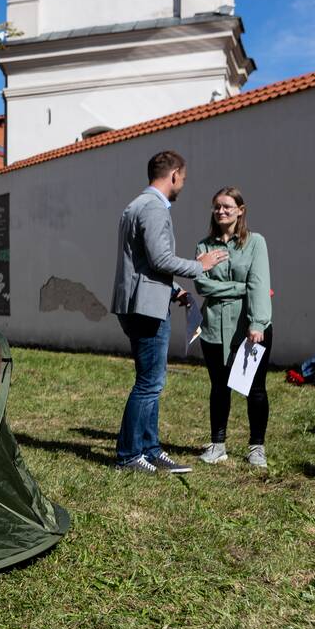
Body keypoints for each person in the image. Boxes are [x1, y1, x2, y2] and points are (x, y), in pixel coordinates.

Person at [110, 150, 229, 474]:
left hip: (140, 301)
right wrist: (198, 266)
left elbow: (143, 263)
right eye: (184, 179)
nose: (183, 185)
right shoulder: (154, 208)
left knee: (150, 381)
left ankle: (149, 449)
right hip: (146, 309)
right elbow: (161, 258)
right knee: (150, 383)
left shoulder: (135, 205)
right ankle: (129, 456)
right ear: (173, 174)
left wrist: (172, 288)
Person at [194, 187, 272, 468]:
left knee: (256, 388)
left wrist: (257, 323)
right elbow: (201, 284)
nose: (221, 211)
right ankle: (218, 444)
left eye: (227, 206)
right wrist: (240, 287)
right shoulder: (204, 247)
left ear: (241, 210)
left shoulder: (255, 243)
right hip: (214, 326)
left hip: (250, 326)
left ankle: (256, 447)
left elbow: (260, 285)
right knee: (219, 386)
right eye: (217, 206)